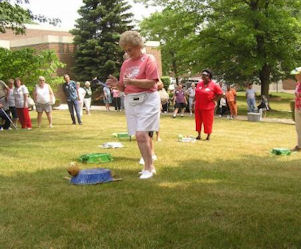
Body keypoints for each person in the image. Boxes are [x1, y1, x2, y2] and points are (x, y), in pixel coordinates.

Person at [106, 30, 160, 179]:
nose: (128, 53)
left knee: (141, 133)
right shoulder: (126, 64)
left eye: (129, 49)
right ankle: (147, 166)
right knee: (139, 136)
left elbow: (152, 82)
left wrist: (133, 81)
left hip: (148, 100)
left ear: (138, 46)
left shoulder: (149, 59)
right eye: (125, 50)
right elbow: (124, 87)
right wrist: (116, 84)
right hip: (132, 101)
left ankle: (149, 167)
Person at [194, 69, 223, 140]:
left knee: (208, 122)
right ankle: (198, 135)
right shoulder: (199, 84)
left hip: (208, 107)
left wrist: (214, 99)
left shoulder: (214, 85)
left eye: (204, 75)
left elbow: (220, 93)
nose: (203, 77)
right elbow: (196, 93)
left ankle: (208, 136)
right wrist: (194, 103)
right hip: (198, 106)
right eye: (202, 75)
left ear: (208, 76)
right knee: (198, 121)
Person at [290, 67, 301, 152]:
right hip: (297, 107)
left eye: (297, 75)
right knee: (298, 127)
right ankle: (299, 146)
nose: (295, 76)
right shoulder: (298, 83)